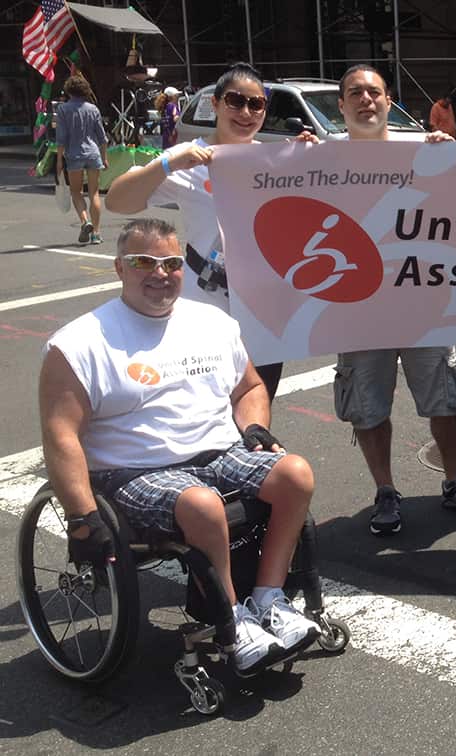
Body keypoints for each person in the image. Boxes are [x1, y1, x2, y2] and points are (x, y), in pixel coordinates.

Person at [39, 218, 323, 675]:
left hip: (218, 452)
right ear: (119, 268)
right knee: (203, 505)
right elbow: (61, 433)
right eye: (143, 262)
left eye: (171, 262)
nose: (160, 272)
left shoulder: (213, 322)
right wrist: (81, 516)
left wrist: (253, 429)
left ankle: (270, 598)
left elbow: (249, 387)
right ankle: (233, 618)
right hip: (134, 470)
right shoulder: (78, 344)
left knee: (295, 474)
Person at [329, 65, 456, 532]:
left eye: (374, 92)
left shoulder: (420, 148)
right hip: (357, 306)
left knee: (445, 395)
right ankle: (385, 491)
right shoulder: (318, 159)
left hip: (423, 298)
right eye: (355, 93)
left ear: (388, 101)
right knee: (367, 403)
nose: (366, 100)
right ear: (341, 105)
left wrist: (452, 155)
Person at [107, 63, 287, 401]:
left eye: (256, 104)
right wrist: (167, 164)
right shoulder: (188, 157)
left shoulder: (276, 161)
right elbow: (118, 200)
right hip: (204, 301)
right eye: (235, 101)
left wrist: (312, 156)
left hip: (263, 309)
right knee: (203, 405)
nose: (246, 112)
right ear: (216, 104)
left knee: (257, 403)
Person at [55, 74, 108, 246]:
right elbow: (102, 138)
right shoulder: (93, 109)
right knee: (94, 193)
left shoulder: (63, 109)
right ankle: (97, 234)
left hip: (74, 155)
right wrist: (105, 158)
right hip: (93, 154)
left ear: (69, 90)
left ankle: (86, 222)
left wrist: (59, 160)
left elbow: (61, 137)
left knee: (76, 192)